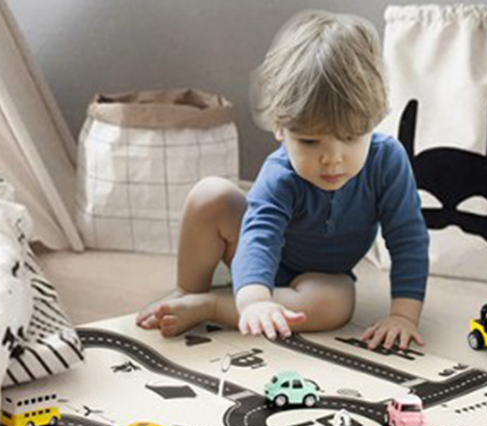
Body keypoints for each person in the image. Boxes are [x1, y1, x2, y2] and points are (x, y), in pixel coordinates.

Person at [137, 10, 429, 351]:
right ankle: (189, 292)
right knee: (210, 195)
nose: (332, 158)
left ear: (373, 122)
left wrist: (404, 316)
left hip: (322, 277)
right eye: (310, 141)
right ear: (280, 128)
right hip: (252, 256)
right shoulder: (280, 173)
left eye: (351, 137)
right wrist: (255, 299)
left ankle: (212, 305)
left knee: (334, 306)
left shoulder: (388, 161)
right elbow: (259, 236)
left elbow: (408, 239)